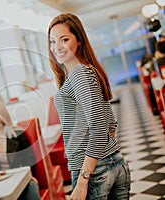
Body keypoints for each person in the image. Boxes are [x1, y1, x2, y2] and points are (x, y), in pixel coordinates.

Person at [48, 13, 131, 199]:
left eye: (64, 39)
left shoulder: (79, 74)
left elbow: (100, 127)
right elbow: (110, 124)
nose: (57, 47)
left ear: (79, 41)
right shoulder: (88, 70)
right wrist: (108, 158)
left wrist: (84, 179)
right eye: (52, 41)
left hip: (93, 172)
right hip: (112, 164)